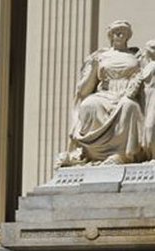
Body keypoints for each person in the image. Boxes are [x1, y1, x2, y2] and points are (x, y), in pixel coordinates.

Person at [59, 21, 147, 166]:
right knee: (89, 104)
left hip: (128, 94)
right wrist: (93, 68)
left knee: (129, 106)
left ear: (128, 36)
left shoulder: (136, 56)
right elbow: (83, 90)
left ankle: (123, 155)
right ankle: (95, 153)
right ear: (110, 35)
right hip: (105, 93)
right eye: (116, 31)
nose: (119, 34)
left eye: (123, 32)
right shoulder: (100, 57)